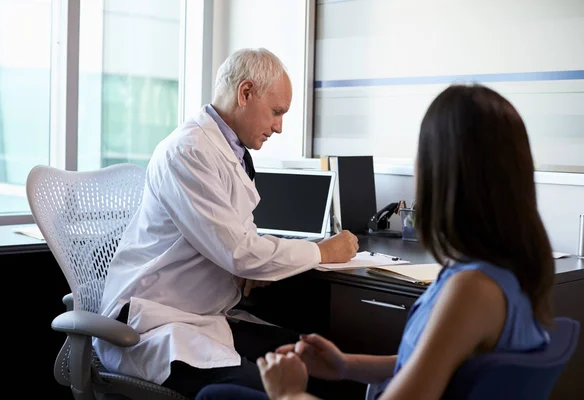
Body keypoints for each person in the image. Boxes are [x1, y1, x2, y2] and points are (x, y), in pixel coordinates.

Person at [195, 83, 555, 400]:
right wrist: (345, 365)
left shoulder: (472, 291)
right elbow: (435, 362)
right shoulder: (507, 274)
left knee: (216, 395)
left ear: (445, 174)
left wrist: (289, 394)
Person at [92, 47, 359, 398]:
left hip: (200, 317)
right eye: (276, 112)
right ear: (245, 93)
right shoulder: (188, 150)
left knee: (323, 363)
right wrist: (321, 251)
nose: (279, 127)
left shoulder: (228, 152)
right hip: (154, 325)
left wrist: (246, 270)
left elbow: (233, 242)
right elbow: (238, 251)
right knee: (268, 388)